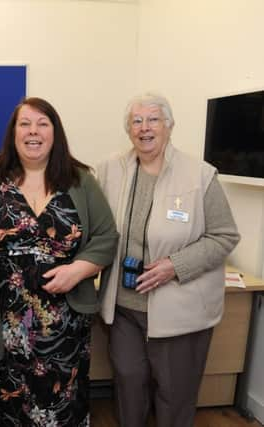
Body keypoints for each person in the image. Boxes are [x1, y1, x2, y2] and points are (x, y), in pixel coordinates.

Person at [0, 97, 119, 426]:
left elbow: (106, 237)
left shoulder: (80, 179)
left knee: (61, 405)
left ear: (55, 133)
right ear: (13, 133)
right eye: (25, 124)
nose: (34, 132)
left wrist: (78, 270)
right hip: (4, 320)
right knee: (5, 406)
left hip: (65, 322)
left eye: (42, 124)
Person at [95, 93, 240, 427]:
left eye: (153, 119)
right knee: (128, 385)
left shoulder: (200, 175)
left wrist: (175, 265)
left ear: (169, 126)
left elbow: (224, 236)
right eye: (137, 121)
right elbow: (96, 229)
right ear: (128, 129)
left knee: (175, 395)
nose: (145, 128)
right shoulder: (107, 171)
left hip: (179, 310)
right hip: (124, 308)